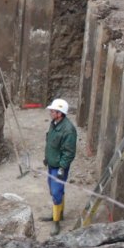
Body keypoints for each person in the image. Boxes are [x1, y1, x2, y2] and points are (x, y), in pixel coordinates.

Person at [42, 98, 77, 236]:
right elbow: (51, 143)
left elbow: (69, 152)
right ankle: (58, 214)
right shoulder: (54, 124)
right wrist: (47, 157)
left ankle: (56, 221)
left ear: (60, 113)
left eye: (53, 111)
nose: (50, 112)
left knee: (56, 192)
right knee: (54, 190)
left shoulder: (68, 130)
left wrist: (62, 168)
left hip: (59, 166)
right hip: (52, 164)